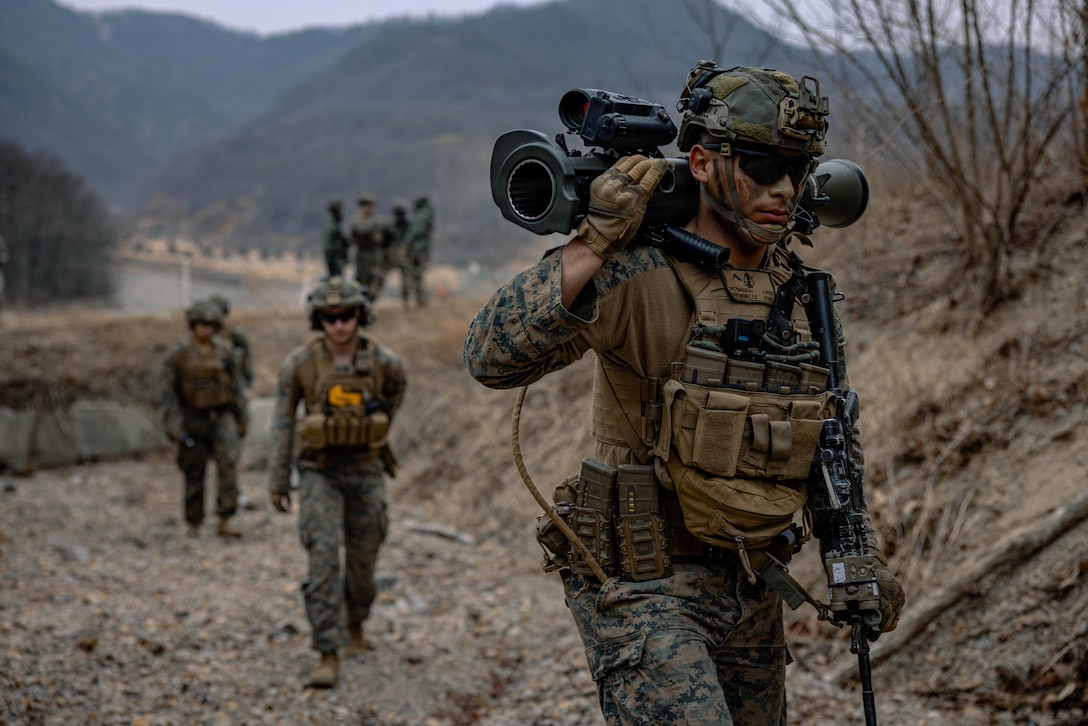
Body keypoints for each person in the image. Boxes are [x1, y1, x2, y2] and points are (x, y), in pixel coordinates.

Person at [463, 62, 904, 723]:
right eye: (760, 163)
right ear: (701, 162)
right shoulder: (638, 274)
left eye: (799, 167)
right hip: (644, 580)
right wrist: (595, 240)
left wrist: (854, 552)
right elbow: (491, 357)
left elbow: (829, 432)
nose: (783, 188)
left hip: (753, 578)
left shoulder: (800, 291)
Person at [267, 276, 406, 689]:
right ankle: (327, 650)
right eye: (329, 318)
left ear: (360, 316)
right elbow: (282, 423)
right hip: (319, 471)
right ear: (318, 321)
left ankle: (356, 623)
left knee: (364, 561)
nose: (339, 325)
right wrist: (278, 479)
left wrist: (372, 431)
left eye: (346, 315)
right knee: (323, 558)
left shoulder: (385, 363)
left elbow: (394, 395)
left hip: (366, 470)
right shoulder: (300, 365)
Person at [161, 299, 247, 539]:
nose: (206, 330)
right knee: (194, 470)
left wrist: (242, 417)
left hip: (221, 416)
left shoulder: (225, 351)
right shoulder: (178, 356)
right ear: (193, 325)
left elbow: (236, 385)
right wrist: (173, 424)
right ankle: (194, 521)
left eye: (211, 325)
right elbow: (167, 393)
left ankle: (225, 518)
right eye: (202, 325)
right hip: (193, 419)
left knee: (228, 466)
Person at [209, 293, 254, 400]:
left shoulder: (234, 334)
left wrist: (248, 384)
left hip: (232, 383)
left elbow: (246, 360)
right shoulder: (201, 335)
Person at [350, 194, 388, 303]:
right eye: (367, 206)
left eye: (371, 206)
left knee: (374, 279)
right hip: (363, 253)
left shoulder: (372, 220)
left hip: (373, 253)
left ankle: (367, 303)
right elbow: (362, 229)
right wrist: (375, 223)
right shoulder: (358, 219)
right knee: (362, 279)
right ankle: (359, 303)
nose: (369, 208)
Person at [404, 195, 434, 307]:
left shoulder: (422, 214)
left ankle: (420, 299)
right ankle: (420, 299)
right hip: (422, 248)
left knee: (416, 273)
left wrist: (407, 242)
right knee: (418, 274)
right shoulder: (428, 213)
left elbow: (415, 231)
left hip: (418, 248)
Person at [383, 200, 412, 307]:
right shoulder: (390, 226)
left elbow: (410, 241)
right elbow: (385, 242)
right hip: (392, 254)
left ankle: (406, 301)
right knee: (381, 277)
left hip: (403, 255)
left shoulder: (408, 226)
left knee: (406, 280)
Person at [322, 198, 348, 278]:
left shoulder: (335, 222)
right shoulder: (330, 224)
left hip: (338, 257)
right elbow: (328, 244)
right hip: (334, 259)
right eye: (339, 208)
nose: (341, 211)